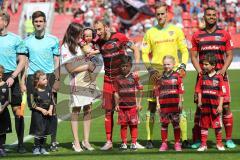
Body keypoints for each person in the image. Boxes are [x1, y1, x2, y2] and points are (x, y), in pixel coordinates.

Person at [141, 2, 189, 149]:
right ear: (155, 15)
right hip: (155, 75)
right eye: (158, 14)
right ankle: (149, 139)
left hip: (173, 75)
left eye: (162, 13)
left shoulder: (176, 30)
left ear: (167, 13)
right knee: (151, 106)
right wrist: (150, 69)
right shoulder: (150, 32)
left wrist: (183, 65)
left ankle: (184, 138)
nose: (160, 16)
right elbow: (144, 53)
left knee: (178, 106)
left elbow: (185, 50)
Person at [93, 19, 144, 150]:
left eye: (99, 29)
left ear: (105, 27)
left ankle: (134, 141)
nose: (97, 33)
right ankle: (109, 141)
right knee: (108, 111)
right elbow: (85, 45)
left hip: (123, 79)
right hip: (108, 80)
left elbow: (135, 49)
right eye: (96, 30)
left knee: (131, 109)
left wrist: (136, 68)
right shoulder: (98, 41)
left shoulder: (119, 37)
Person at [190, 7, 235, 149]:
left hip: (221, 78)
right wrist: (199, 72)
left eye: (214, 15)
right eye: (208, 15)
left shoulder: (224, 34)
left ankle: (228, 139)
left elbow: (230, 55)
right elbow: (193, 56)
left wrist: (222, 70)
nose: (211, 17)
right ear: (204, 17)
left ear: (217, 16)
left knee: (226, 107)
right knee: (200, 107)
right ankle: (198, 139)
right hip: (203, 78)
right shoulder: (197, 35)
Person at [23, 11, 60, 151]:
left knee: (52, 109)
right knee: (35, 109)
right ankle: (37, 143)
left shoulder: (53, 40)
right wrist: (22, 80)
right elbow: (25, 62)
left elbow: (57, 60)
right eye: (36, 21)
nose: (38, 23)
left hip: (49, 77)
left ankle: (53, 141)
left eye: (40, 21)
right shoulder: (26, 41)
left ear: (45, 22)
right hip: (32, 77)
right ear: (33, 23)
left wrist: (56, 79)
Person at [61, 22, 96, 152]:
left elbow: (91, 56)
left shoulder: (82, 45)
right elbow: (70, 68)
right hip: (76, 82)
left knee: (88, 109)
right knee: (76, 111)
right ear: (73, 33)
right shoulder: (65, 47)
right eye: (80, 33)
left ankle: (86, 141)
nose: (82, 36)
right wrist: (87, 66)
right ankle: (76, 142)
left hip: (88, 80)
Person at [0, 11, 27, 153]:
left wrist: (14, 77)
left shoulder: (16, 39)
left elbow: (23, 61)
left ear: (5, 22)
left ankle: (21, 144)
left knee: (18, 112)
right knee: (0, 111)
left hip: (12, 77)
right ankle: (1, 146)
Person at [195, 53, 225, 151]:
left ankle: (219, 143)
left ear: (213, 65)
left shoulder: (219, 77)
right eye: (203, 64)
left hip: (215, 106)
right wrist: (199, 101)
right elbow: (199, 90)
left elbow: (222, 93)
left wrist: (220, 105)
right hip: (205, 106)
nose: (204, 66)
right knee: (204, 125)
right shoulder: (202, 77)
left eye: (206, 64)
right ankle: (203, 144)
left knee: (217, 125)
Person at [114, 56, 143, 151]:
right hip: (122, 107)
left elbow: (140, 90)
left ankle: (134, 143)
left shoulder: (135, 77)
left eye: (126, 66)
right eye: (122, 66)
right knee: (123, 125)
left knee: (133, 125)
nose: (124, 68)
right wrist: (117, 104)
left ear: (130, 66)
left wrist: (139, 103)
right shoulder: (117, 78)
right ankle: (124, 143)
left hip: (133, 107)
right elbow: (116, 92)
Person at [155, 55, 184, 151]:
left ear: (173, 64)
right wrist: (158, 104)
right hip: (164, 106)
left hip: (175, 105)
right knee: (164, 125)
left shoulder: (177, 76)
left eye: (169, 64)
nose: (166, 66)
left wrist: (180, 102)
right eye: (165, 64)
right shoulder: (160, 77)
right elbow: (157, 92)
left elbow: (180, 90)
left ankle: (177, 143)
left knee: (176, 124)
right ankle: (164, 143)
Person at [29, 70, 54, 155]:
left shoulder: (48, 89)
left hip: (47, 114)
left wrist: (50, 110)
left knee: (45, 130)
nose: (46, 80)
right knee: (38, 131)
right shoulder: (34, 91)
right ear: (37, 81)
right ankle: (36, 147)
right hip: (38, 114)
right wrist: (42, 110)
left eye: (46, 79)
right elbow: (32, 104)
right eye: (43, 79)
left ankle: (42, 147)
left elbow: (52, 101)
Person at [0, 65, 11, 157]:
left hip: (3, 112)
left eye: (0, 74)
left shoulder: (5, 85)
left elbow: (8, 99)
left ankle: (2, 148)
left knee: (3, 131)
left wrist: (3, 107)